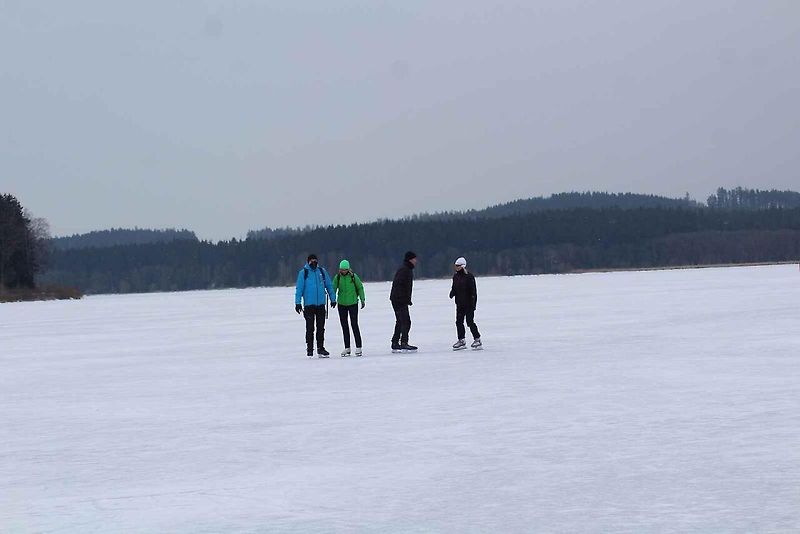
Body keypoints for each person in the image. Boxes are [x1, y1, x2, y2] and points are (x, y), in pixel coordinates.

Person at [295, 254, 336, 357]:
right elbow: (299, 289)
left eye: (315, 261)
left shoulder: (322, 272)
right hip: (309, 305)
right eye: (311, 261)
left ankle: (320, 348)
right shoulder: (303, 273)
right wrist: (298, 303)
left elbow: (329, 286)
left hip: (321, 304)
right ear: (308, 262)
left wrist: (333, 299)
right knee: (310, 328)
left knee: (321, 328)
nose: (314, 262)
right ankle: (309, 348)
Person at [333, 259, 366, 357]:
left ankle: (358, 346)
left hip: (353, 304)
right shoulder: (337, 277)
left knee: (354, 324)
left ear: (348, 269)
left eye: (345, 269)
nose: (343, 271)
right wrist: (332, 299)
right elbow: (333, 288)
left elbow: (360, 287)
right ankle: (347, 348)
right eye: (342, 269)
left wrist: (362, 299)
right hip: (342, 304)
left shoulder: (353, 277)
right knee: (344, 326)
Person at [449, 256, 482, 350]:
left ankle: (477, 339)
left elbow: (473, 292)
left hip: (469, 304)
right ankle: (461, 340)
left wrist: (473, 304)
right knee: (458, 322)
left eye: (458, 266)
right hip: (459, 304)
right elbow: (454, 287)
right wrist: (452, 293)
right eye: (455, 266)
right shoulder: (455, 277)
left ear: (463, 266)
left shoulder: (469, 277)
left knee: (470, 322)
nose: (456, 267)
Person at [389, 251, 418, 352]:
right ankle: (404, 342)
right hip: (399, 300)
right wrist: (404, 299)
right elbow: (400, 285)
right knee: (406, 321)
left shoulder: (406, 269)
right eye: (414, 259)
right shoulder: (405, 270)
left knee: (400, 321)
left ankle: (395, 342)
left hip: (397, 299)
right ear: (410, 259)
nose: (416, 261)